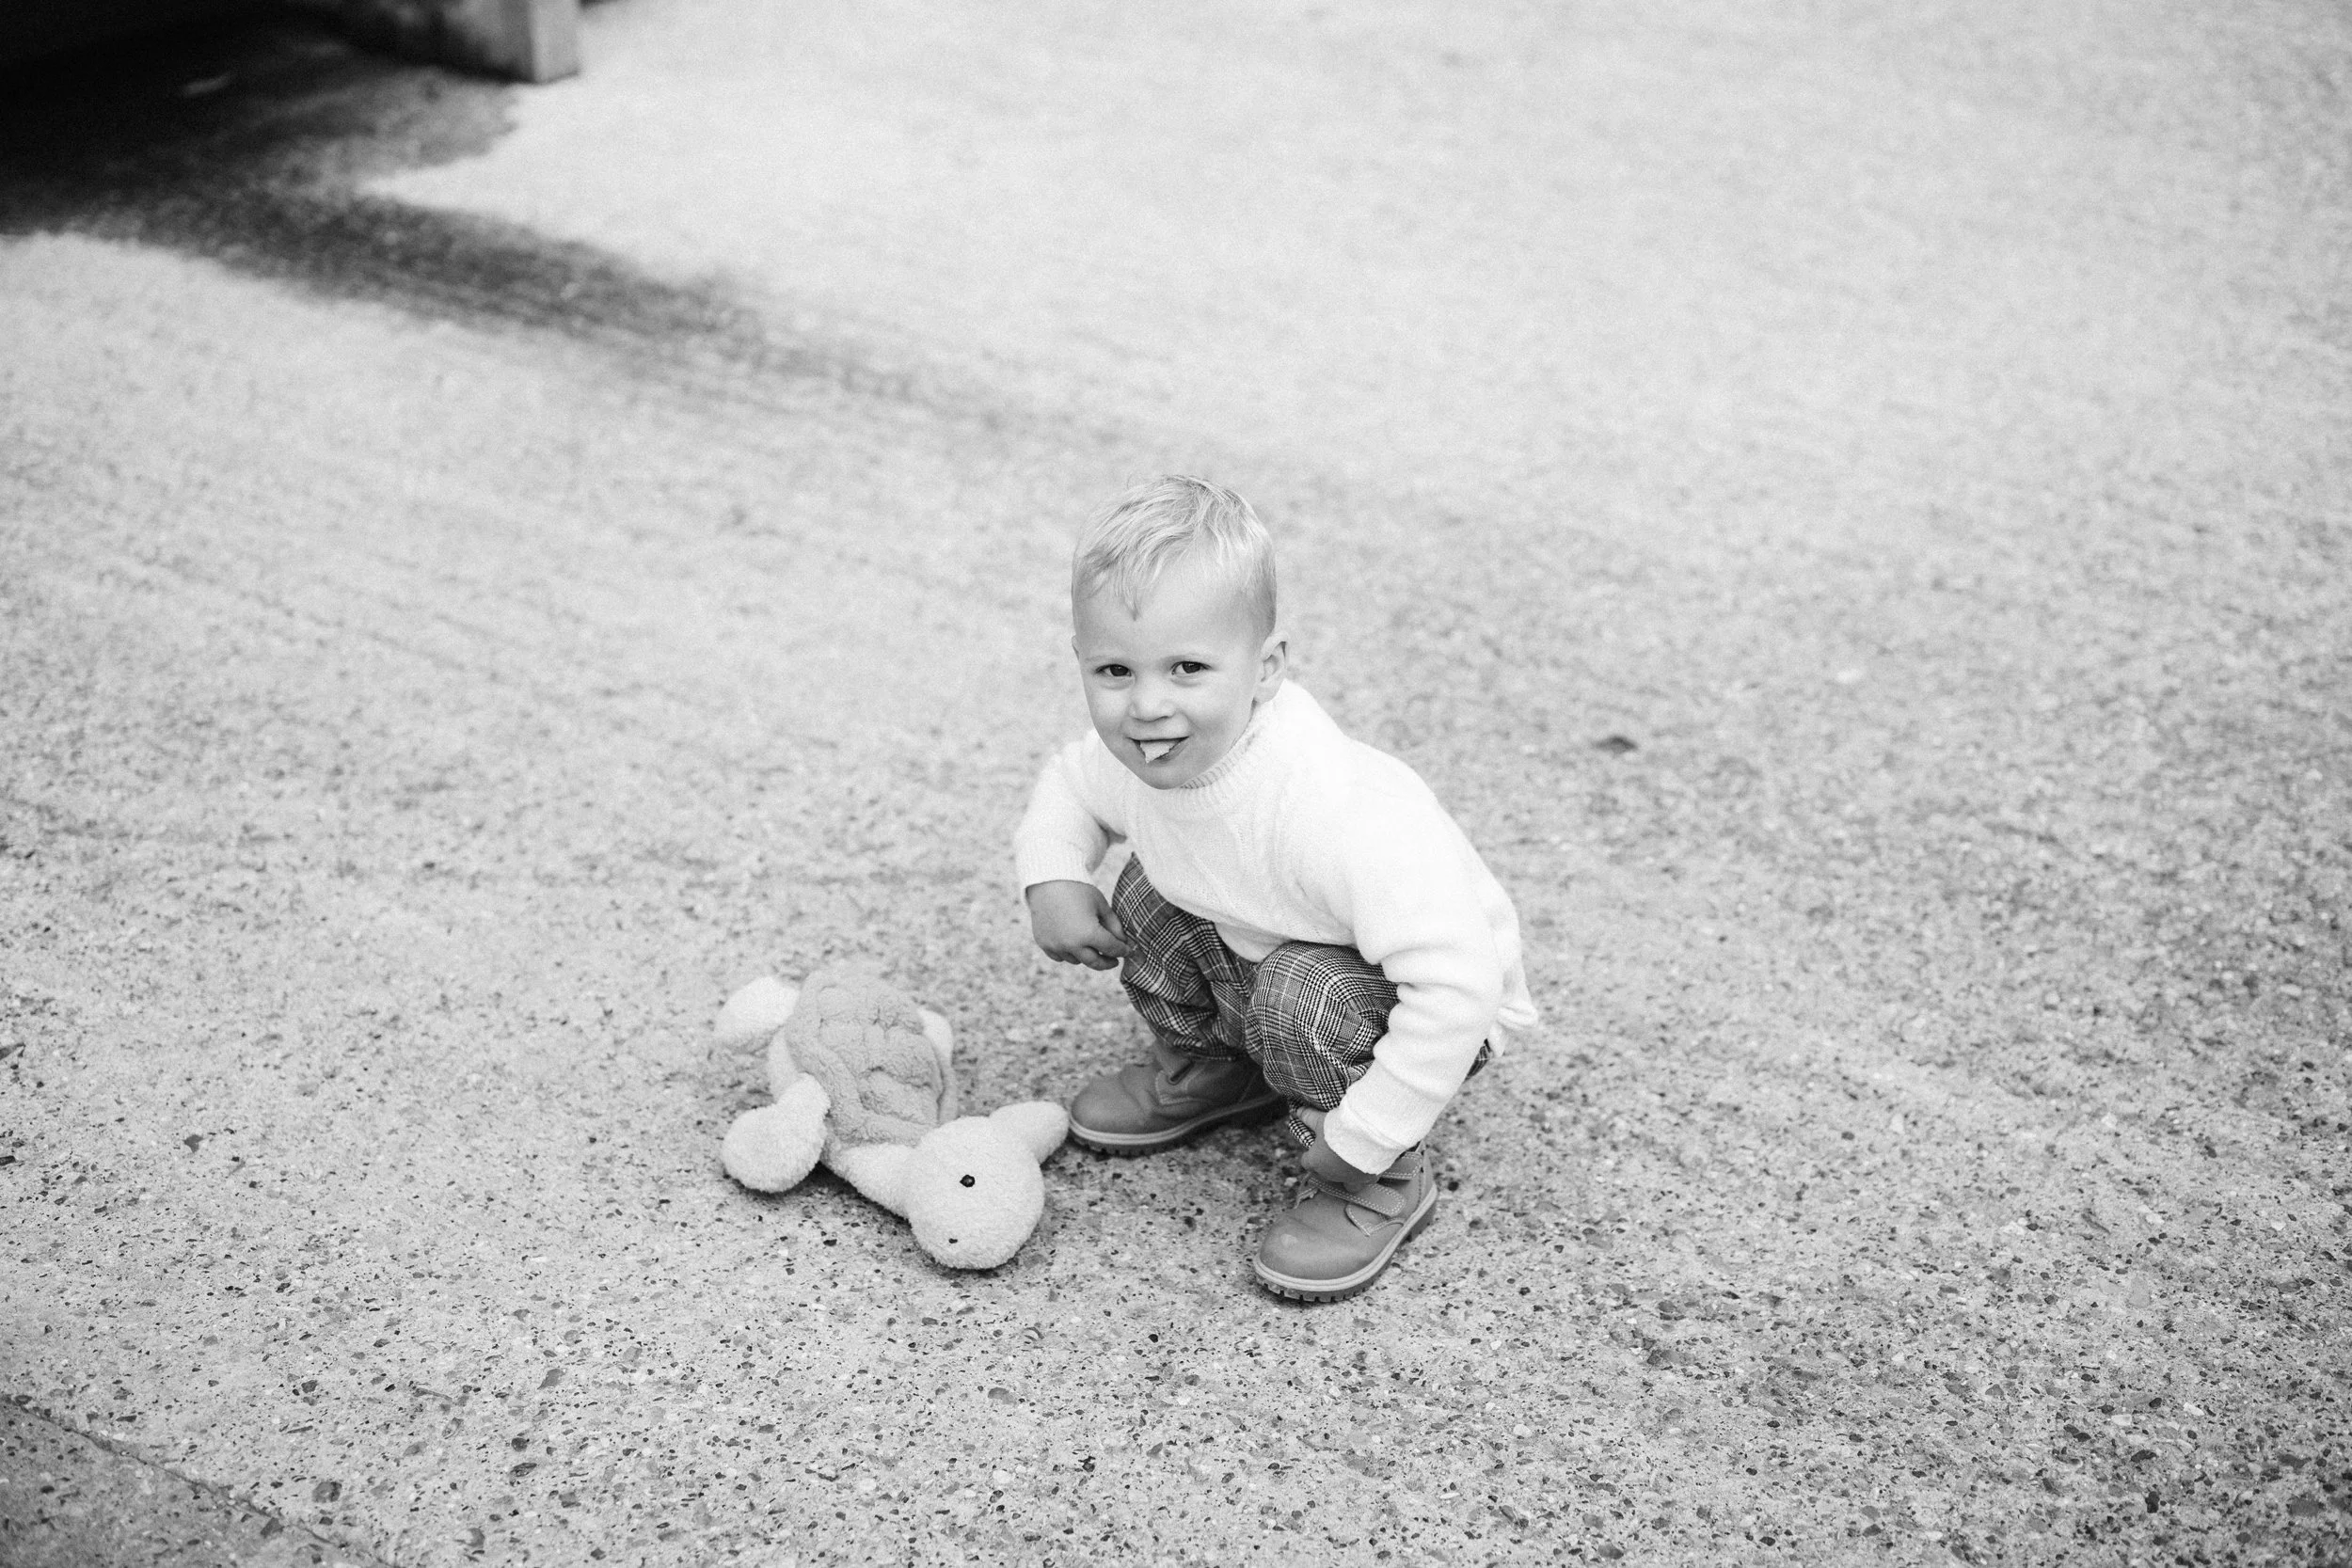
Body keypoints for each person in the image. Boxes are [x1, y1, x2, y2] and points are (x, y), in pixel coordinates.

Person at [1014, 475, 1538, 1301]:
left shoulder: (1330, 813)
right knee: (1153, 885)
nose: (1148, 706)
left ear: (1267, 668)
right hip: (1266, 946)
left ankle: (1383, 1182)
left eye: (1189, 667)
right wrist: (1052, 873)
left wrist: (1369, 1134)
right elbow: (1071, 783)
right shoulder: (1153, 759)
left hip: (1417, 1004)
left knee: (1300, 990)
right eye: (1116, 670)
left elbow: (1458, 984)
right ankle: (1220, 1070)